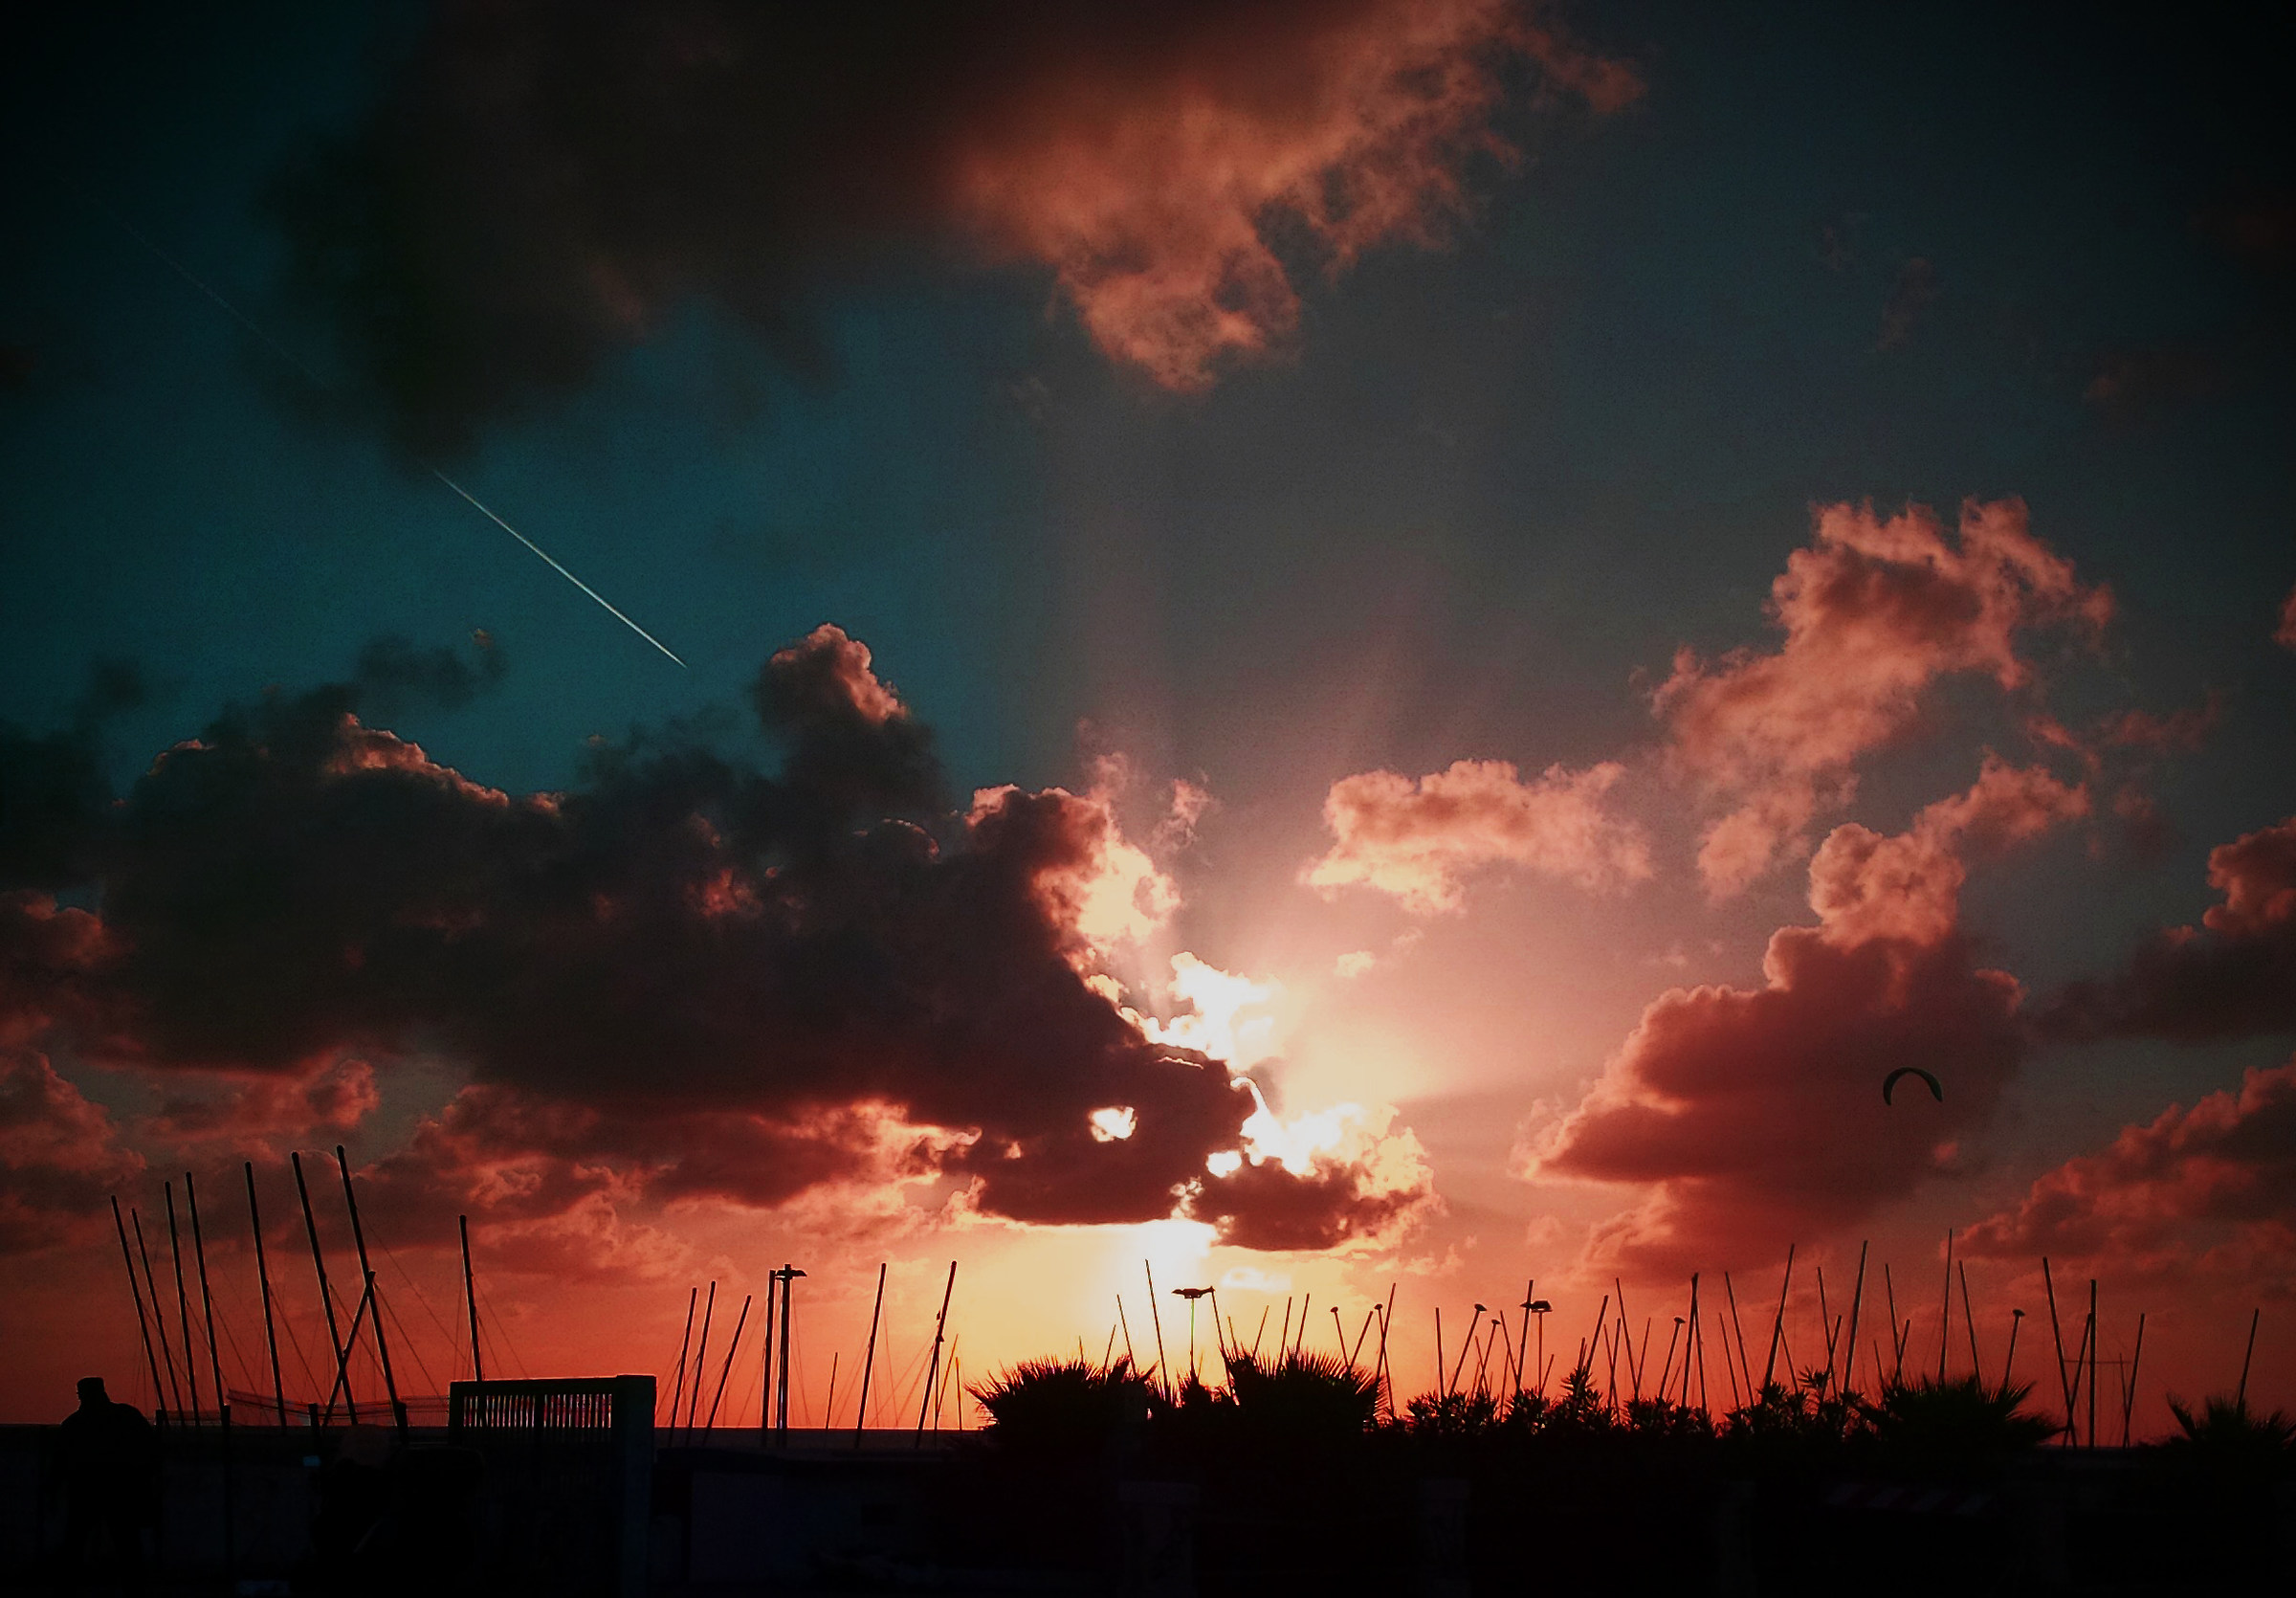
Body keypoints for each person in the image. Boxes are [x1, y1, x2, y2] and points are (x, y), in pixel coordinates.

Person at [56, 1376, 158, 1591]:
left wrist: (54, 1488)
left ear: (81, 1396)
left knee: (76, 1542)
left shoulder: (74, 1424)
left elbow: (61, 1462)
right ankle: (134, 1587)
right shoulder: (127, 1416)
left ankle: (68, 1586)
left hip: (87, 1493)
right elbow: (149, 1450)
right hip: (120, 1492)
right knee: (127, 1544)